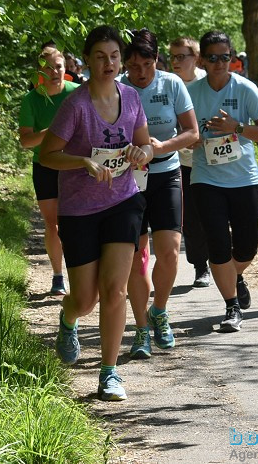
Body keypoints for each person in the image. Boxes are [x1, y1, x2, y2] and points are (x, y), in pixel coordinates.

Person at [39, 26, 153, 401]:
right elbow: (47, 155)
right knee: (86, 299)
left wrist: (142, 153)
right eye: (101, 56)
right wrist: (83, 161)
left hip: (123, 200)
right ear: (87, 60)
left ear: (122, 59)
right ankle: (69, 318)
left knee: (115, 290)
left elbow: (144, 144)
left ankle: (109, 372)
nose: (109, 63)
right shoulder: (76, 106)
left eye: (115, 56)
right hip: (79, 210)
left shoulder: (132, 97)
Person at [187, 31, 258, 333]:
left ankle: (234, 276)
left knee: (247, 248)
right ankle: (231, 306)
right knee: (218, 245)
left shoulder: (245, 89)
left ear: (232, 58)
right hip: (205, 178)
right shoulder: (191, 92)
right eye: (212, 58)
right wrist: (192, 140)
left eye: (225, 57)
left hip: (244, 178)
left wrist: (236, 126)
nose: (219, 63)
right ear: (202, 60)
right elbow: (181, 132)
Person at [120, 30, 199, 359]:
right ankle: (140, 330)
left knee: (169, 251)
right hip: (128, 179)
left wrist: (161, 147)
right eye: (134, 65)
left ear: (158, 61)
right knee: (137, 259)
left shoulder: (171, 84)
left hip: (166, 171)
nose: (140, 73)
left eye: (148, 64)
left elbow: (193, 133)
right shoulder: (118, 88)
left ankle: (159, 311)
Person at [18, 46, 80, 295]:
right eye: (48, 68)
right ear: (39, 72)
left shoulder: (77, 94)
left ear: (66, 69)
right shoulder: (32, 99)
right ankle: (57, 275)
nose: (54, 72)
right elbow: (25, 141)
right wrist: (53, 130)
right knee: (52, 223)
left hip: (75, 164)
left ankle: (80, 273)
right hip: (44, 165)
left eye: (59, 66)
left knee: (76, 221)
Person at [170, 36, 212, 288]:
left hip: (214, 161)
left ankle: (226, 262)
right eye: (172, 56)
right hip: (183, 162)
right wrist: (182, 139)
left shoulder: (207, 83)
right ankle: (201, 266)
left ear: (195, 58)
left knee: (214, 215)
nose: (175, 61)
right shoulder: (169, 84)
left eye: (181, 56)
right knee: (190, 218)